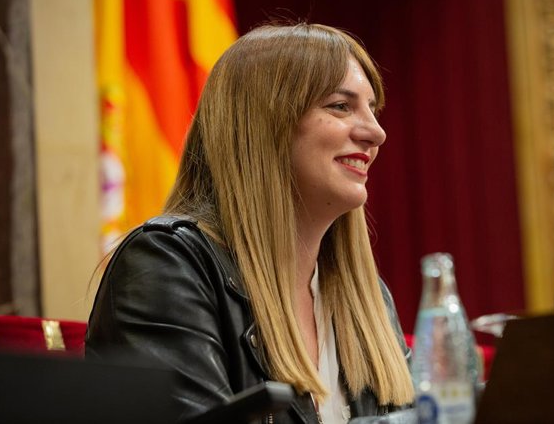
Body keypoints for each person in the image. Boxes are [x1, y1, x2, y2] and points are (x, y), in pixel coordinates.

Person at [86, 22, 414, 423]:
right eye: (340, 106)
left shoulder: (368, 297)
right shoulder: (168, 265)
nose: (375, 132)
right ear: (263, 125)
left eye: (372, 109)